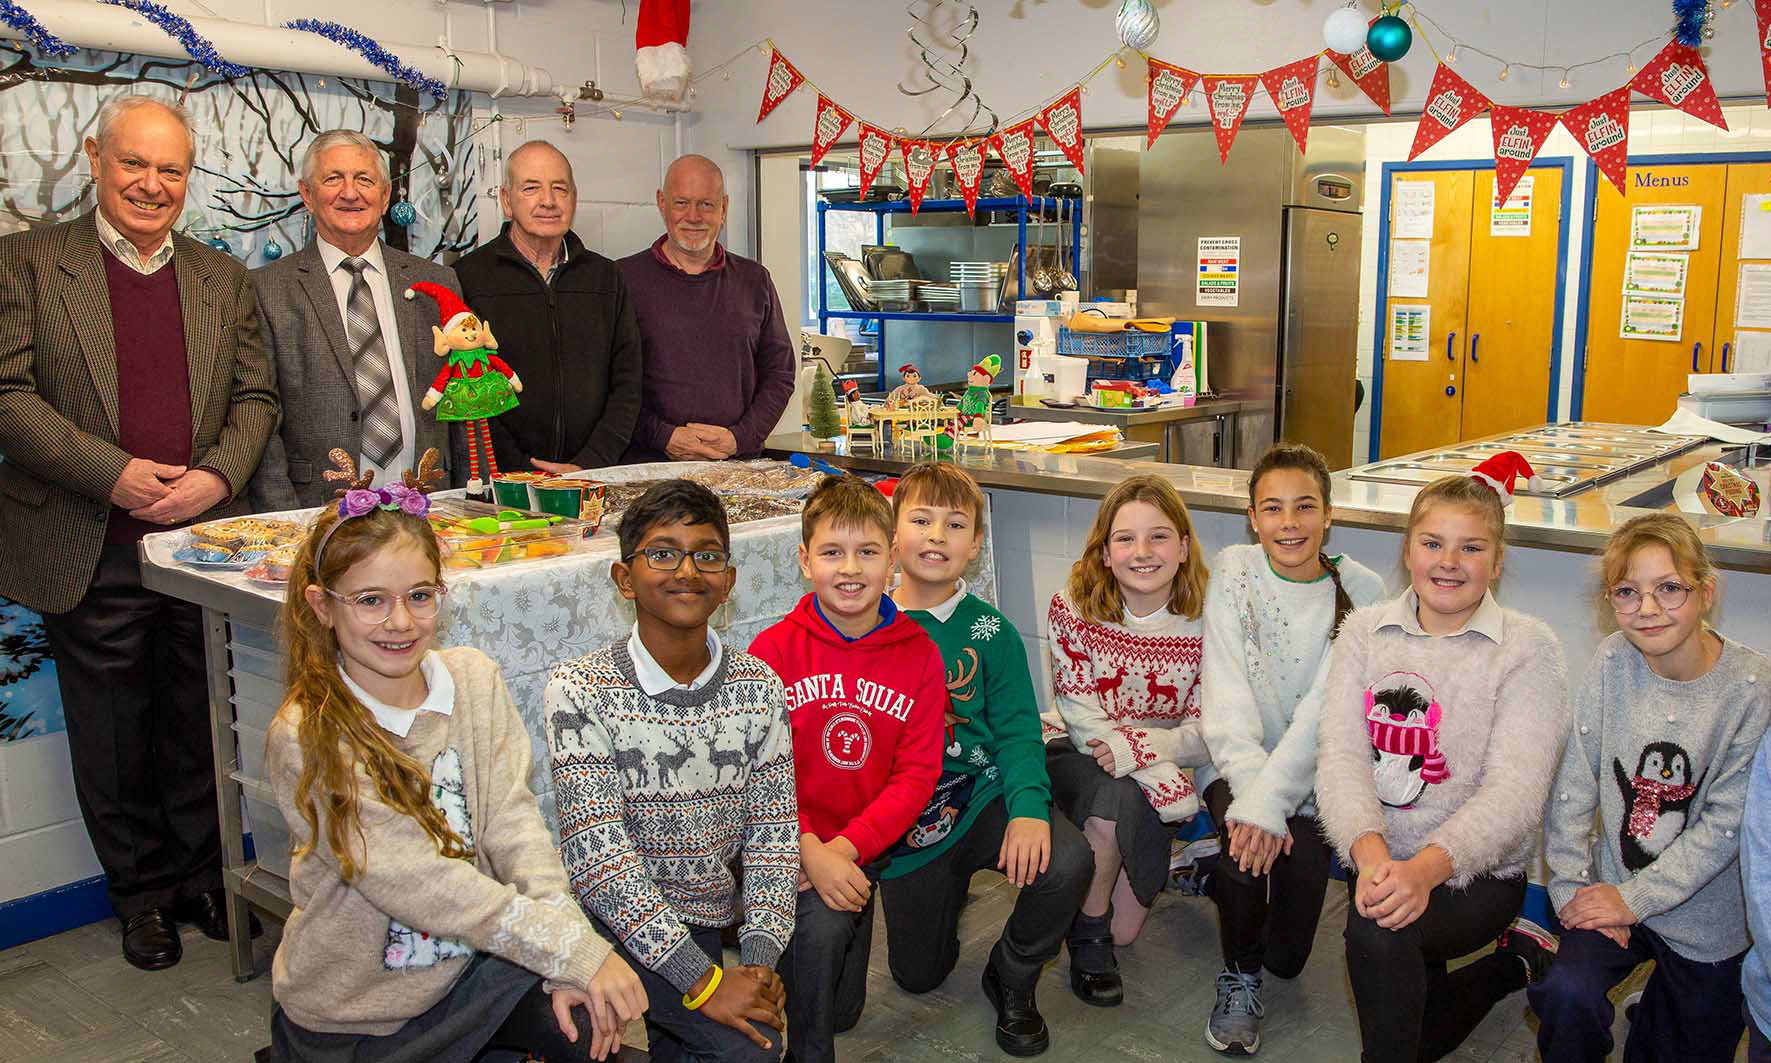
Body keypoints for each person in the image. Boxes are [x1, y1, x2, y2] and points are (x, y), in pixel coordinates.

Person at [0, 94, 278, 970]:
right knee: (114, 734)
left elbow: (256, 397)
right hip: (90, 542)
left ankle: (201, 876)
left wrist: (216, 477)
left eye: (171, 169)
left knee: (201, 723)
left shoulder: (218, 275)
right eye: (135, 163)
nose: (152, 185)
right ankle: (142, 896)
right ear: (95, 157)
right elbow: (6, 396)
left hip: (198, 549)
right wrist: (110, 472)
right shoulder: (26, 264)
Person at [264, 452, 646, 1062]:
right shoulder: (308, 732)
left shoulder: (471, 680)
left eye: (420, 595)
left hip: (472, 972)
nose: (399, 621)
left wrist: (569, 947)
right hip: (359, 1016)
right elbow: (423, 884)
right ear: (321, 605)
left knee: (598, 1042)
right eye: (369, 600)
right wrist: (570, 950)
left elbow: (514, 827)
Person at [1314, 457, 1570, 1063]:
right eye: (1433, 543)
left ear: (1497, 562)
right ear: (1408, 551)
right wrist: (1373, 856)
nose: (1449, 562)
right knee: (1396, 979)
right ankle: (1512, 965)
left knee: (1377, 936)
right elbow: (1341, 757)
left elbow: (1515, 795)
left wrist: (1424, 870)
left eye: (1471, 548)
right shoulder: (1364, 630)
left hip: (1474, 876)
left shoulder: (1528, 649)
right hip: (1380, 858)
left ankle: (1501, 959)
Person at [545, 479, 798, 1062]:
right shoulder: (580, 689)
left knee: (743, 1031)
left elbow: (775, 838)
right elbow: (598, 860)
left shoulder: (758, 686)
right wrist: (705, 983)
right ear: (624, 578)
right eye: (662, 552)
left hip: (705, 918)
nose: (687, 570)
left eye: (707, 554)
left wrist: (757, 963)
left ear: (728, 580)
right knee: (748, 1050)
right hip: (605, 927)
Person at [1534, 512, 1768, 1062]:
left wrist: (1633, 901)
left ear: (1706, 592)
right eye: (1627, 592)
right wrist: (1569, 891)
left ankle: (1658, 1006)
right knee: (1567, 995)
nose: (1648, 608)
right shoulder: (1613, 659)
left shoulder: (1752, 688)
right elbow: (1574, 784)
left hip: (1706, 919)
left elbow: (1724, 829)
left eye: (1669, 588)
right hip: (1609, 889)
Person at [880, 462, 1093, 1057]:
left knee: (1068, 858)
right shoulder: (867, 623)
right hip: (903, 824)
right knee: (918, 976)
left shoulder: (989, 632)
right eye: (920, 520)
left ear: (975, 544)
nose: (936, 536)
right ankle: (943, 898)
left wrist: (1028, 809)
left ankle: (1012, 973)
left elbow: (1020, 732)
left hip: (980, 799)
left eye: (955, 525)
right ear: (894, 534)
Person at [748, 474, 944, 1063]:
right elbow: (761, 774)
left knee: (843, 1004)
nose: (851, 569)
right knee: (822, 934)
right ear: (805, 561)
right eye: (832, 552)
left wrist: (847, 850)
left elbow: (916, 775)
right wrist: (807, 847)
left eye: (868, 553)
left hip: (861, 846)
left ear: (892, 560)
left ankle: (809, 970)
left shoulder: (920, 655)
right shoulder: (772, 652)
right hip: (782, 842)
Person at [1198, 442, 1386, 1055]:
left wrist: (1275, 803)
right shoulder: (1233, 570)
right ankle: (1237, 977)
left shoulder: (1362, 588)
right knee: (1245, 852)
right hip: (1236, 759)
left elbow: (1322, 717)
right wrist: (1255, 805)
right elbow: (1225, 703)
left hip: (1316, 774)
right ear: (1252, 518)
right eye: (1272, 509)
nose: (1289, 524)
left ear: (1328, 514)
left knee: (1289, 959)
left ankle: (1226, 890)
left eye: (1305, 507)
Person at [1041, 474, 1213, 1008]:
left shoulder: (1212, 618)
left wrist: (1144, 755)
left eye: (1159, 537)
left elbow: (1210, 729)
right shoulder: (1072, 605)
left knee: (1128, 932)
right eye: (1125, 539)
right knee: (1111, 801)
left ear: (1183, 548)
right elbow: (1080, 711)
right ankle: (1088, 935)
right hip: (1078, 747)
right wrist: (1150, 766)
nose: (1142, 552)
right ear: (1105, 551)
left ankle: (1097, 906)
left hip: (1161, 765)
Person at [250, 129, 464, 510]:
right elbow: (261, 417)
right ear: (307, 195)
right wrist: (284, 519)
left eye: (364, 180)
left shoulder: (437, 283)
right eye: (333, 179)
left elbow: (462, 401)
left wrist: (467, 495)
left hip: (431, 500)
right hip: (316, 508)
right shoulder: (267, 289)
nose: (350, 192)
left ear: (384, 197)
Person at [452, 140, 642, 475]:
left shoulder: (607, 277)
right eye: (531, 188)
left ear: (574, 198)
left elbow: (628, 383)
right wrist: (519, 468)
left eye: (559, 188)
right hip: (504, 481)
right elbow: (468, 391)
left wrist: (591, 463)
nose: (549, 201)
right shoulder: (467, 279)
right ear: (507, 201)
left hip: (591, 476)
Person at [618, 154, 794, 463]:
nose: (694, 216)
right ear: (662, 204)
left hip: (737, 467)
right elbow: (608, 385)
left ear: (724, 207)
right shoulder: (622, 280)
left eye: (707, 204)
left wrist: (739, 438)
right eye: (681, 203)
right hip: (650, 469)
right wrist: (663, 436)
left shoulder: (755, 280)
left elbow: (780, 374)